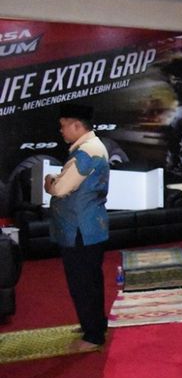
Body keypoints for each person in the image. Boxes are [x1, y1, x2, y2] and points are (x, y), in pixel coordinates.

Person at [44, 103, 109, 351]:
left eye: (63, 126)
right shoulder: (92, 148)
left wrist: (50, 182)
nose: (61, 131)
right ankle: (95, 324)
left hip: (80, 229)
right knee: (90, 280)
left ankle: (93, 336)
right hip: (87, 227)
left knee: (82, 282)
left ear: (76, 125)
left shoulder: (86, 152)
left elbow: (60, 187)